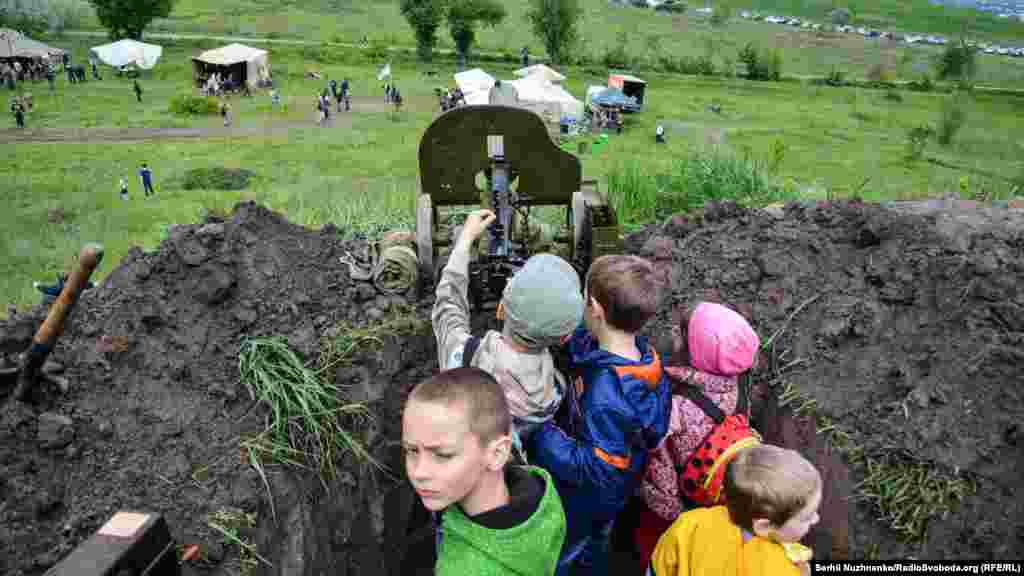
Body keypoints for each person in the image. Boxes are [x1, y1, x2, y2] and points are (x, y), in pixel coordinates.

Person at [527, 254, 671, 576]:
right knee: (599, 537)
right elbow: (591, 352)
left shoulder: (607, 394)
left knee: (568, 548)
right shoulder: (644, 357)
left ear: (594, 309)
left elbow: (593, 467)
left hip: (587, 497)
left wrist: (541, 431)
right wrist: (568, 339)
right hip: (621, 485)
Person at [432, 209, 584, 459]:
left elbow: (447, 308)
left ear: (500, 309)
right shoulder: (555, 391)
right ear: (563, 338)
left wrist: (464, 241)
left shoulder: (463, 358)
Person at [403, 367, 567, 576]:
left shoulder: (461, 570)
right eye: (411, 450)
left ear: (497, 454)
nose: (419, 472)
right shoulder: (540, 496)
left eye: (443, 455)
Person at [635, 302, 760, 571]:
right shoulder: (735, 382)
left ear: (695, 354)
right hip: (711, 491)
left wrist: (662, 505)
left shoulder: (677, 407)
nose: (674, 332)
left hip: (670, 503)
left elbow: (653, 454)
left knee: (653, 544)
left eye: (682, 333)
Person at [647, 444, 821, 576]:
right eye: (806, 517)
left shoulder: (689, 524)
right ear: (764, 526)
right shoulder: (782, 569)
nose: (816, 519)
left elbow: (657, 570)